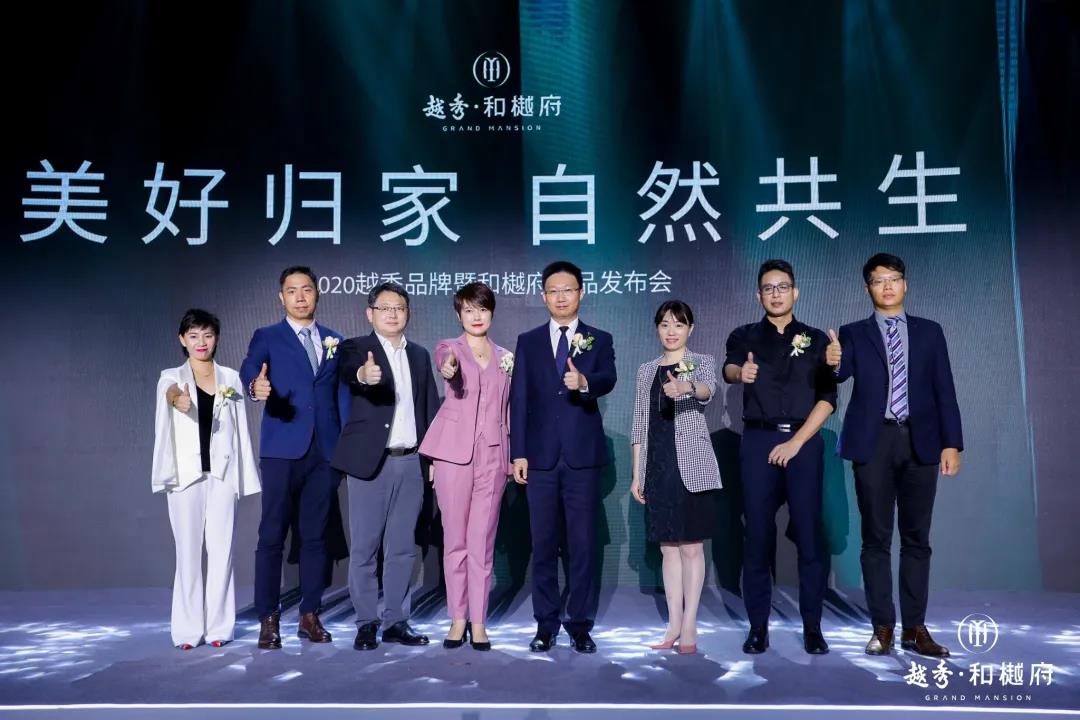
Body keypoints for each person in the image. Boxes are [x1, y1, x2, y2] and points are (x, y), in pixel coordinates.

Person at [834, 252, 963, 657]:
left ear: (905, 284)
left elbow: (944, 388)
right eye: (878, 280)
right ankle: (883, 627)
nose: (887, 286)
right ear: (868, 288)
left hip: (921, 441)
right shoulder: (854, 333)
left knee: (916, 539)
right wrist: (831, 360)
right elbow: (839, 373)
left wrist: (951, 443)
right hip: (873, 443)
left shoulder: (930, 332)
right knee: (875, 539)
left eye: (893, 278)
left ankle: (915, 628)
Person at [723, 259, 837, 655]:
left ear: (795, 292)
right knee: (757, 535)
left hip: (803, 442)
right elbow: (730, 367)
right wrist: (740, 374)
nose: (776, 293)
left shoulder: (818, 340)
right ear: (759, 295)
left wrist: (796, 443)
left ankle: (812, 627)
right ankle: (758, 627)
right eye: (769, 288)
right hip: (758, 441)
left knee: (809, 535)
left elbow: (827, 400)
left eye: (783, 286)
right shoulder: (744, 335)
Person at [510, 260, 618, 654]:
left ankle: (580, 624)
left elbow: (608, 377)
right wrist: (518, 453)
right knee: (543, 544)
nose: (560, 297)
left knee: (582, 546)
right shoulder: (528, 341)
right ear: (543, 296)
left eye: (567, 290)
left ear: (581, 293)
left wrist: (585, 381)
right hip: (539, 459)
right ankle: (545, 624)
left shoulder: (598, 338)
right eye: (553, 291)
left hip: (581, 458)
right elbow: (519, 399)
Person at [240, 266, 345, 649]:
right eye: (291, 290)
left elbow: (340, 395)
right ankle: (268, 619)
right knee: (272, 536)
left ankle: (310, 614)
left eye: (307, 289)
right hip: (282, 451)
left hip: (324, 453)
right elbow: (250, 370)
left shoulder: (335, 340)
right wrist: (256, 386)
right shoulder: (267, 336)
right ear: (281, 297)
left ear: (317, 293)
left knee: (315, 537)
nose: (300, 297)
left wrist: (344, 449)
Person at [332, 282, 440, 651]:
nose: (392, 314)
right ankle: (366, 622)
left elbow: (429, 408)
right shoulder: (355, 348)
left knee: (403, 548)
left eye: (399, 308)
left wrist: (432, 458)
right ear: (370, 313)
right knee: (365, 548)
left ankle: (396, 620)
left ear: (408, 313)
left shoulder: (420, 355)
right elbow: (351, 372)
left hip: (410, 461)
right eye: (385, 307)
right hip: (370, 464)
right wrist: (365, 376)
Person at [152, 309, 260, 649]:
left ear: (217, 338)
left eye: (208, 335)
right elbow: (170, 392)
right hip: (186, 478)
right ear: (182, 340)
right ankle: (187, 631)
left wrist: (244, 477)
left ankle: (219, 629)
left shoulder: (230, 378)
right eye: (194, 336)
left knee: (222, 552)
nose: (201, 342)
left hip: (223, 475)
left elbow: (241, 432)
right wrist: (178, 399)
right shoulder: (171, 377)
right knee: (187, 554)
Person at [419, 282, 512, 651]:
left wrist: (511, 457)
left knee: (482, 543)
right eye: (469, 310)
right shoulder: (449, 347)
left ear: (491, 313)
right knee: (455, 541)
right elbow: (446, 365)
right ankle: (458, 618)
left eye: (482, 309)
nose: (476, 316)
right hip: (453, 457)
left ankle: (479, 621)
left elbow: (508, 409)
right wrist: (449, 368)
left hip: (494, 456)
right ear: (459, 315)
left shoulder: (506, 356)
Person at [630, 300, 722, 655]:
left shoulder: (701, 362)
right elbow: (639, 423)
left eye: (679, 324)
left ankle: (690, 625)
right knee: (668, 549)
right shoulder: (646, 371)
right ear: (657, 328)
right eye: (665, 324)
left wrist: (687, 387)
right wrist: (637, 473)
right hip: (657, 465)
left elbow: (708, 390)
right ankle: (672, 624)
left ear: (690, 329)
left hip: (691, 465)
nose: (671, 331)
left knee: (692, 548)